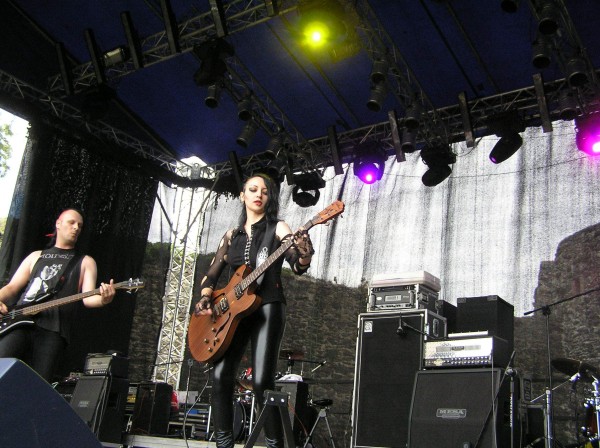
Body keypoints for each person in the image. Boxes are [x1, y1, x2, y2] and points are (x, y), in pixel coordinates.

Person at [194, 173, 314, 448]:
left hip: (268, 305)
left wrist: (304, 250)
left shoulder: (278, 227)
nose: (259, 194)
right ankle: (224, 444)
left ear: (269, 198)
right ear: (242, 195)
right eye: (253, 189)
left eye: (265, 191)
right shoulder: (231, 236)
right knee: (220, 375)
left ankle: (273, 444)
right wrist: (206, 298)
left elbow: (298, 266)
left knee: (262, 381)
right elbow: (211, 275)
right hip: (232, 312)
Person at [0, 208, 115, 382]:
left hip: (53, 330)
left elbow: (88, 298)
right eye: (72, 222)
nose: (76, 228)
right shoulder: (36, 256)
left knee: (39, 383)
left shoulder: (85, 261)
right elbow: (12, 287)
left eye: (80, 225)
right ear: (58, 224)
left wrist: (104, 299)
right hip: (19, 321)